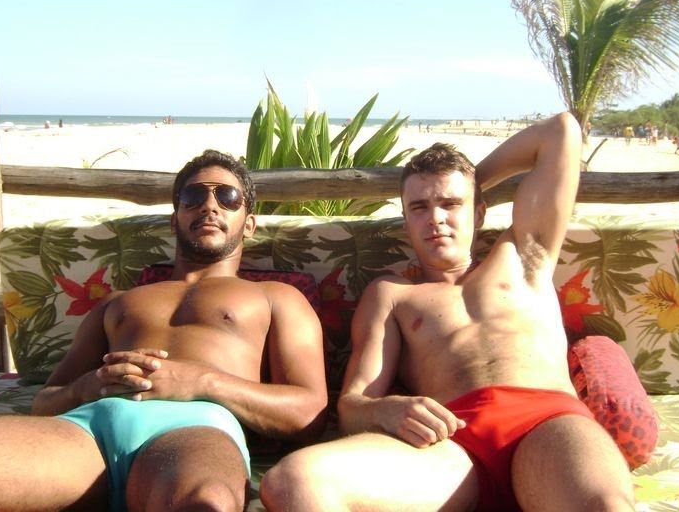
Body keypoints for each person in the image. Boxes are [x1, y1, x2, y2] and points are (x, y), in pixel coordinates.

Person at [260, 113, 633, 511]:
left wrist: (471, 181)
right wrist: (383, 410)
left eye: (451, 204)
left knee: (605, 506)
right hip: (452, 442)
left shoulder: (524, 256)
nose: (435, 219)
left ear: (478, 212)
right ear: (406, 221)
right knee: (292, 482)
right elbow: (352, 406)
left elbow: (560, 131)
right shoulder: (391, 294)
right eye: (419, 207)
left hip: (547, 422)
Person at [0, 150, 328, 512]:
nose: (209, 206)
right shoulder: (117, 302)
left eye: (227, 197)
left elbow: (309, 412)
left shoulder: (276, 297)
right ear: (174, 219)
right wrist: (87, 386)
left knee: (204, 503)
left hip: (194, 430)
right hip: (87, 428)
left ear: (249, 224)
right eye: (193, 196)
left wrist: (203, 382)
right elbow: (45, 402)